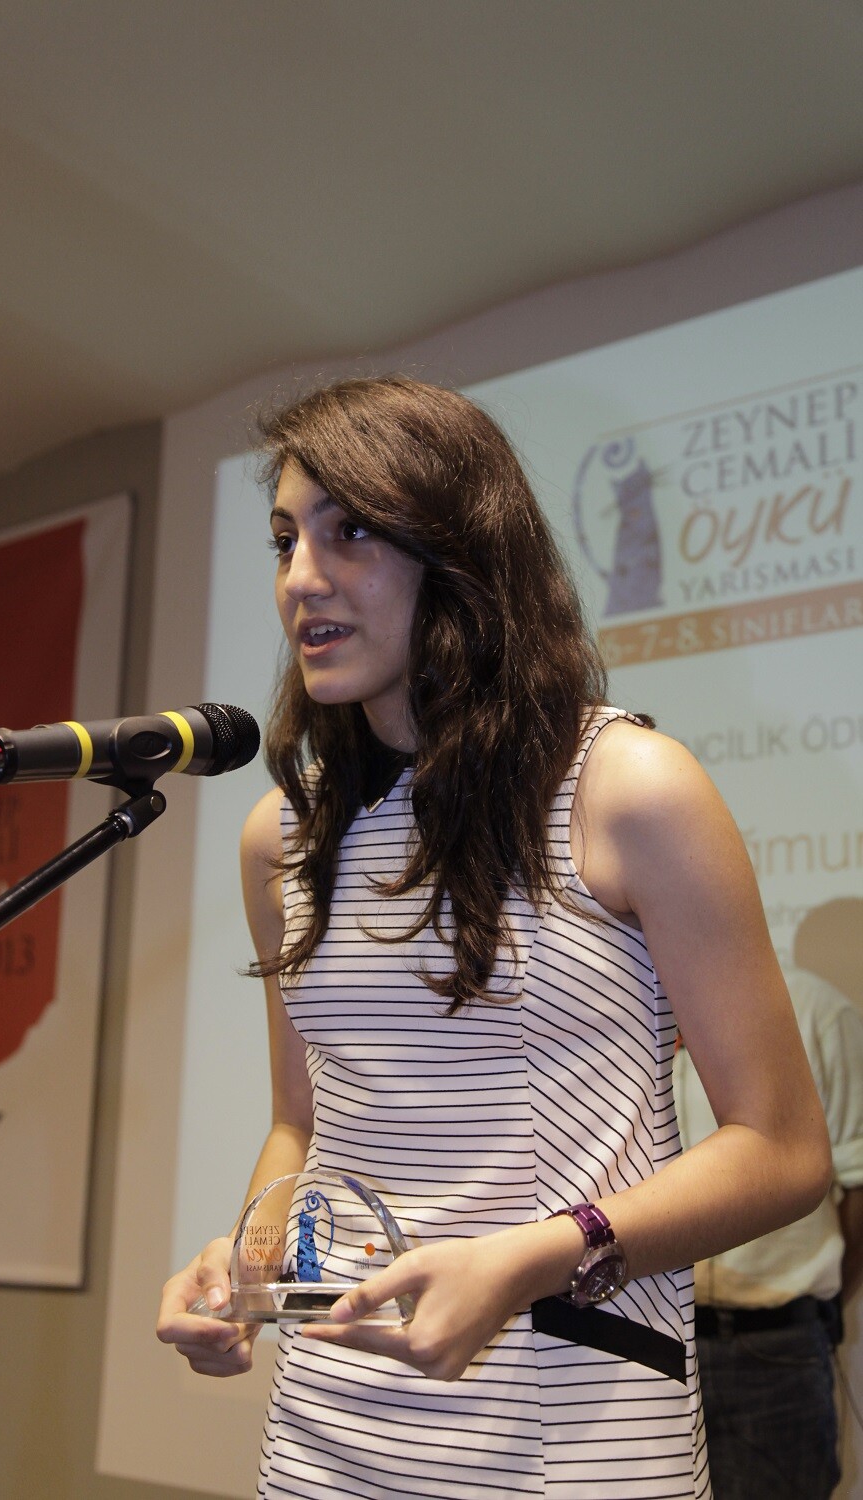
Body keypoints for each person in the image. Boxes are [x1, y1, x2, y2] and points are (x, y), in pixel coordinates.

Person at [157, 376, 830, 1499]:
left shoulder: (625, 787)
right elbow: (302, 1125)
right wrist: (247, 1263)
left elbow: (783, 1149)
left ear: (460, 550)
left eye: (350, 531)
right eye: (284, 539)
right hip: (329, 1427)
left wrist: (534, 1255)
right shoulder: (282, 835)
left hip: (573, 1419)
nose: (301, 577)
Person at [675, 964, 863, 1500]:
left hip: (774, 1351)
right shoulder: (629, 1009)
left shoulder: (816, 1010)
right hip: (654, 1343)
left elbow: (859, 1186)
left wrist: (816, 1310)